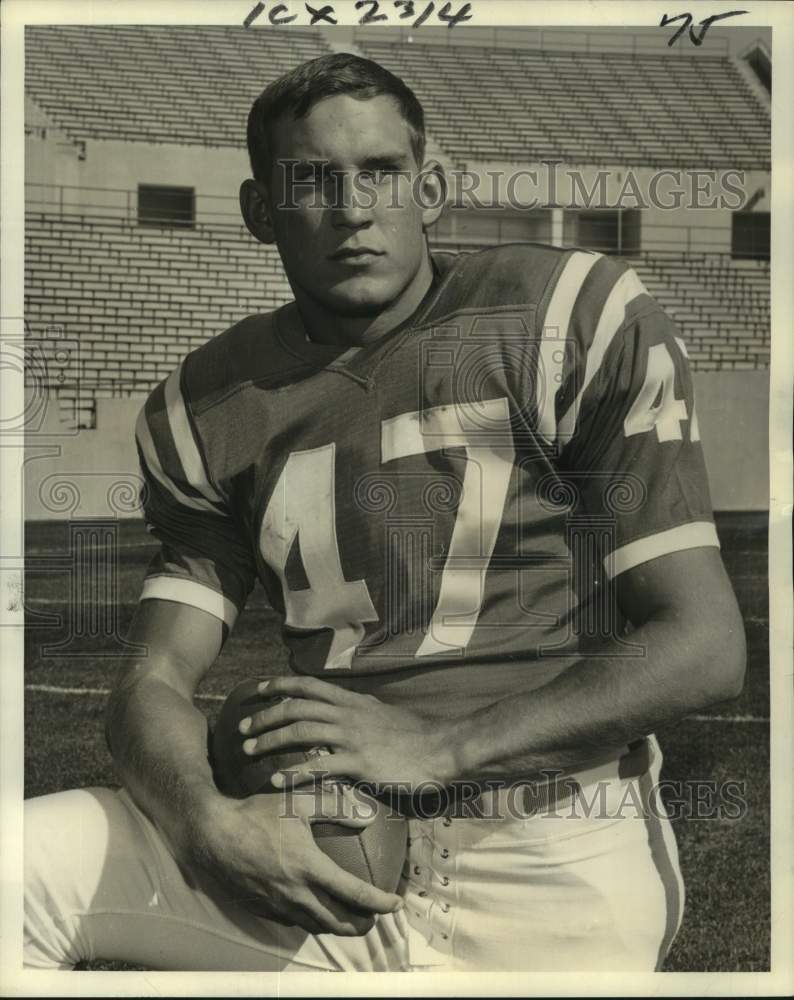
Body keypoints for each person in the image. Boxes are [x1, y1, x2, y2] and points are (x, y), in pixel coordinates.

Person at [24, 52, 746, 972]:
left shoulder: (566, 316)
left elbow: (705, 644)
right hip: (314, 837)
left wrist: (440, 748)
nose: (354, 208)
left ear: (431, 186)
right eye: (313, 182)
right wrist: (204, 821)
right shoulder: (205, 402)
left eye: (381, 173)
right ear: (259, 213)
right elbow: (153, 677)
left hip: (547, 858)